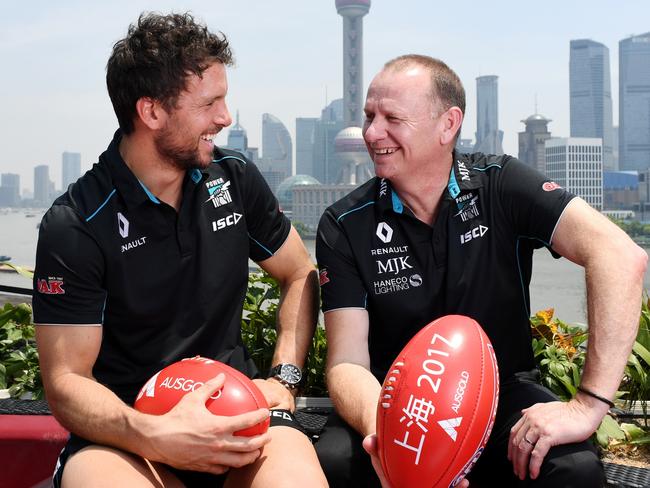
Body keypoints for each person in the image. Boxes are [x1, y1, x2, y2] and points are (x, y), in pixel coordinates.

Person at [315, 54, 647, 487]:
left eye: (393, 118)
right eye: (370, 116)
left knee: (572, 468)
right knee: (334, 462)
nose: (373, 133)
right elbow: (347, 363)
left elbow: (620, 255)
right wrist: (396, 436)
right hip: (393, 403)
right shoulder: (345, 222)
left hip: (498, 395)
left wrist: (587, 406)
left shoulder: (500, 183)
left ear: (448, 125)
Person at [33, 12, 328, 488]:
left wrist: (286, 377)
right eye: (210, 102)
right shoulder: (77, 223)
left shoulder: (233, 178)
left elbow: (299, 272)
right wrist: (153, 434)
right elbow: (67, 382)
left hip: (239, 409)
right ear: (151, 112)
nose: (225, 117)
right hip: (124, 434)